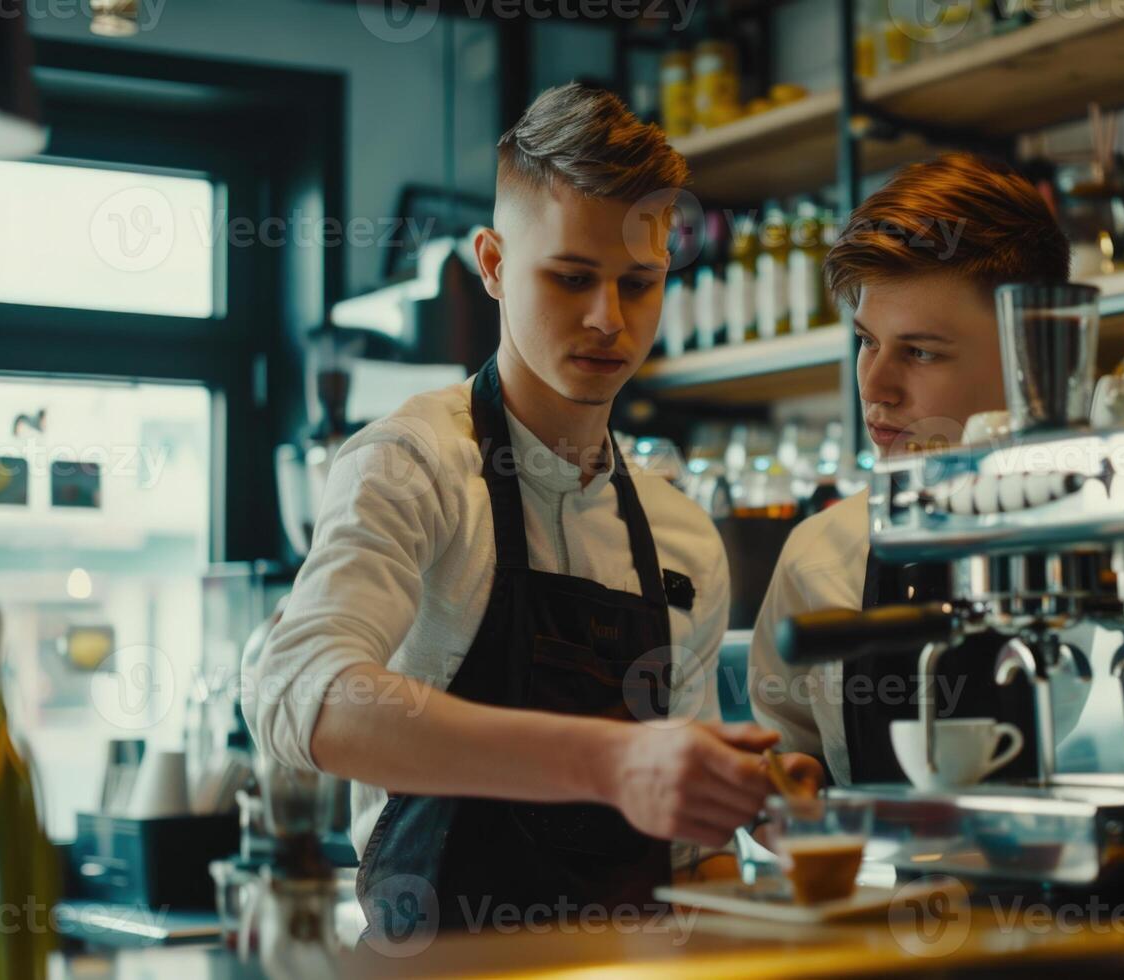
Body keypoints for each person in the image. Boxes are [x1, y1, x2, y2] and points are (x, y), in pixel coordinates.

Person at [244, 83, 788, 933]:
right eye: (571, 277)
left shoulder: (683, 539)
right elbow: (299, 692)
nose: (609, 319)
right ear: (493, 264)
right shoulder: (414, 464)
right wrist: (610, 763)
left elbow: (690, 854)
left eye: (639, 284)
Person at [747, 153, 1071, 788]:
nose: (876, 386)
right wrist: (783, 791)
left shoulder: (1118, 547)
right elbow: (786, 753)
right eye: (867, 341)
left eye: (920, 352)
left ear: (1030, 352)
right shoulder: (823, 554)